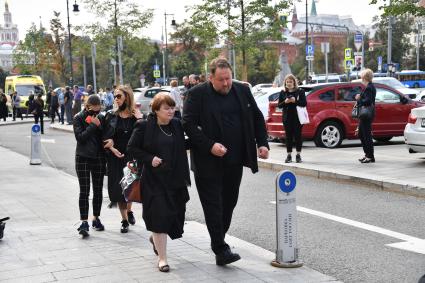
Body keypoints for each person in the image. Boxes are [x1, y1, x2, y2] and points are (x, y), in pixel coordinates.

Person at [182, 57, 269, 266]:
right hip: (207, 161)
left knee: (229, 203)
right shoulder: (197, 94)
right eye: (221, 80)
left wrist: (262, 143)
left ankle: (219, 239)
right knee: (213, 206)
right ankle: (221, 249)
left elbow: (257, 118)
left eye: (228, 78)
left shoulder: (242, 90)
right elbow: (188, 124)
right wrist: (210, 145)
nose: (226, 84)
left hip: (235, 159)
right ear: (210, 78)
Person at [128, 93, 191, 272]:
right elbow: (131, 148)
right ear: (156, 110)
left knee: (174, 215)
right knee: (159, 216)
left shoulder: (177, 125)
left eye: (172, 108)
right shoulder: (144, 126)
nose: (171, 111)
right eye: (167, 108)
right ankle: (162, 259)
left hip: (175, 179)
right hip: (153, 180)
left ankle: (155, 238)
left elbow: (182, 145)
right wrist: (149, 158)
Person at [103, 85, 143, 233]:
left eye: (119, 96)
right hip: (116, 157)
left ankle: (129, 210)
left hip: (131, 157)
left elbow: (145, 134)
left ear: (127, 97)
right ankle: (124, 219)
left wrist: (140, 119)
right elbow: (105, 137)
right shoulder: (110, 116)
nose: (116, 99)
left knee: (130, 188)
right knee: (119, 190)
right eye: (114, 96)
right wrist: (111, 147)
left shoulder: (136, 116)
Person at [73, 95, 106, 237]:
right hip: (83, 157)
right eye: (95, 110)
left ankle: (96, 218)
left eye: (99, 110)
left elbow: (106, 134)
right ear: (88, 107)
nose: (97, 113)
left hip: (98, 157)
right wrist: (93, 125)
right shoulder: (78, 118)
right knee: (84, 191)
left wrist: (99, 125)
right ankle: (84, 221)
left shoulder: (102, 117)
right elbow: (80, 137)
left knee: (98, 190)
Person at [277, 74, 307, 163]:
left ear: (294, 82)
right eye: (287, 82)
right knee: (288, 137)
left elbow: (304, 103)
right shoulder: (283, 92)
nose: (289, 83)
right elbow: (279, 105)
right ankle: (289, 155)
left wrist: (295, 101)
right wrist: (285, 102)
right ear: (285, 83)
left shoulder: (300, 91)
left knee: (298, 136)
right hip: (287, 118)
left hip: (297, 118)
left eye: (291, 81)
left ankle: (298, 155)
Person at [355, 68, 376, 163]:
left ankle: (370, 156)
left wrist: (359, 99)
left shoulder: (369, 88)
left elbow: (368, 101)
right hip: (365, 114)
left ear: (365, 78)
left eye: (362, 78)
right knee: (361, 134)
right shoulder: (368, 87)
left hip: (366, 114)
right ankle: (367, 154)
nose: (361, 80)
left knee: (366, 135)